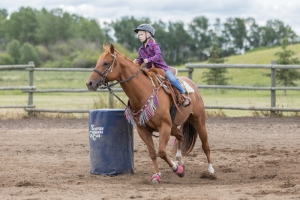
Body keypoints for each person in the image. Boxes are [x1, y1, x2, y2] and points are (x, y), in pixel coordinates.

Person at [133, 24, 191, 107]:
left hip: (161, 68)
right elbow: (140, 60)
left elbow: (158, 55)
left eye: (141, 34)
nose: (139, 36)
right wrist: (135, 63)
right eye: (138, 35)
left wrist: (149, 60)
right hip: (150, 70)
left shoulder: (154, 45)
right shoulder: (141, 49)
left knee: (172, 79)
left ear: (148, 34)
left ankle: (184, 94)